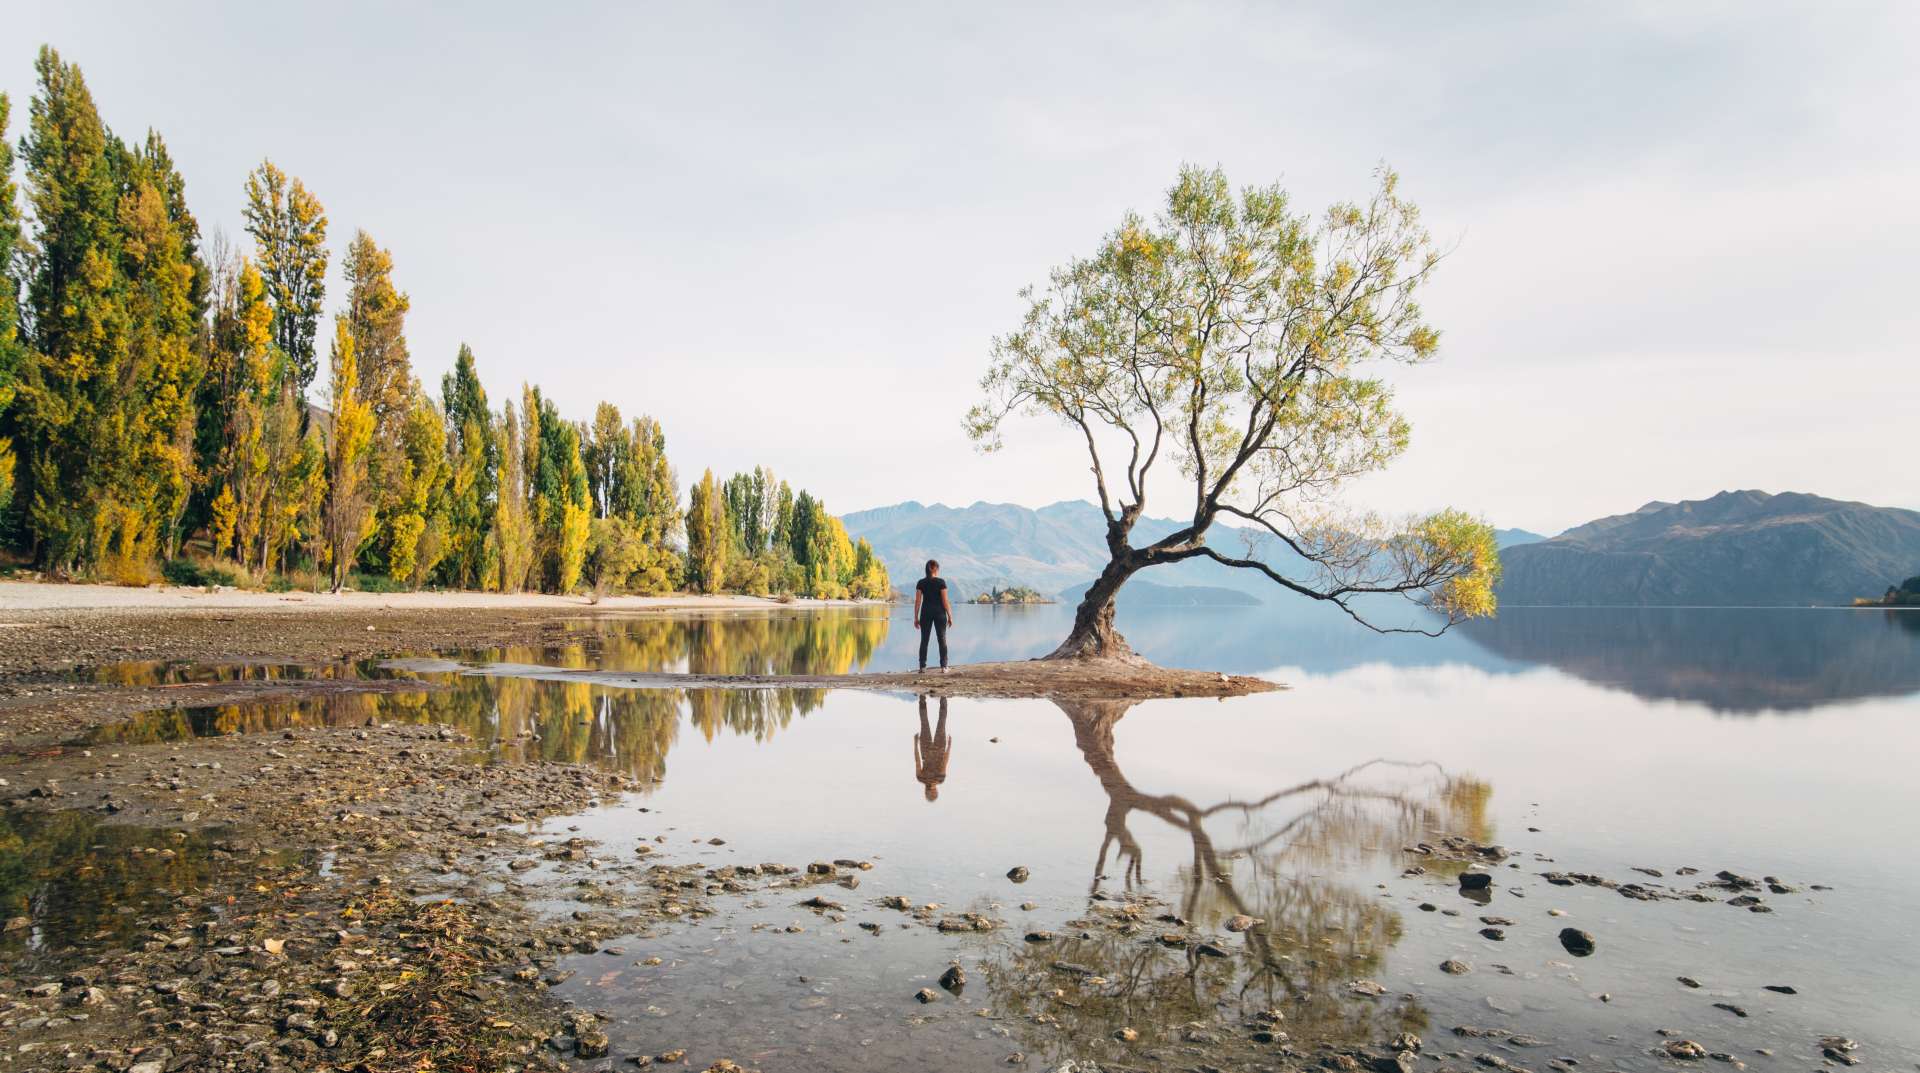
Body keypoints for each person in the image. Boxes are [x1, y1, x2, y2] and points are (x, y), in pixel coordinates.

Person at [913, 559, 953, 672]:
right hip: (940, 613)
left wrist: (916, 617)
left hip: (925, 613)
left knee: (924, 640)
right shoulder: (941, 582)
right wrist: (950, 615)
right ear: (935, 568)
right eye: (938, 568)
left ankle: (922, 667)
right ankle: (944, 667)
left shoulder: (921, 583)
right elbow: (945, 601)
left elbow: (917, 601)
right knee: (942, 639)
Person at [913, 694, 952, 801]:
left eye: (933, 792)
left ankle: (940, 697)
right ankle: (927, 698)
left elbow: (917, 761)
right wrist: (948, 746)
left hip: (929, 749)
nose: (934, 790)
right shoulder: (938, 779)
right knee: (934, 723)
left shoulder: (934, 779)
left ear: (927, 791)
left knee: (938, 722)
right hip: (934, 749)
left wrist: (915, 743)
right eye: (935, 792)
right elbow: (944, 762)